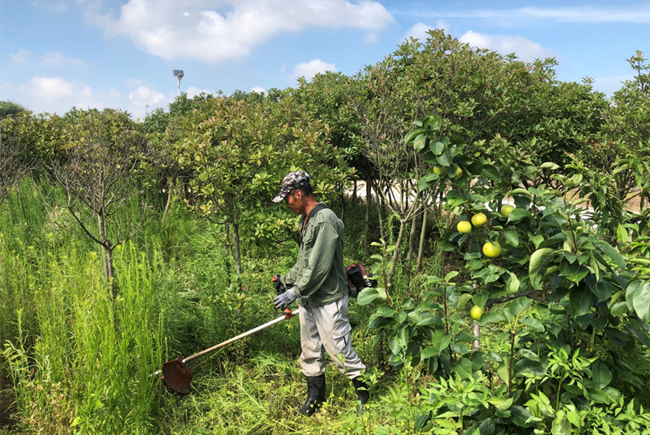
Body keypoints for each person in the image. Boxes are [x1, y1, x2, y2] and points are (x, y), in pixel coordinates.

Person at [271, 170, 369, 416]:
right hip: (309, 299)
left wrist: (295, 291)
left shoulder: (325, 220)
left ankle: (364, 396)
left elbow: (319, 268)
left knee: (339, 350)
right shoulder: (307, 219)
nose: (287, 204)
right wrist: (286, 281)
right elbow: (304, 262)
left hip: (328, 299)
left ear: (298, 193)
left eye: (287, 198)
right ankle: (315, 398)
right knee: (310, 350)